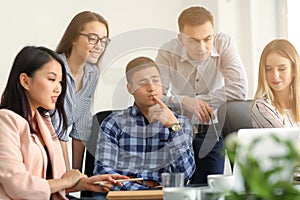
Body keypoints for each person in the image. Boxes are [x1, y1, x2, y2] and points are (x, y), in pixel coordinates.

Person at [0, 46, 127, 199]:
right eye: (51, 79)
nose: (58, 89)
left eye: (60, 82)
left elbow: (54, 182)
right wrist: (66, 181)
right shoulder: (5, 121)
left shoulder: (44, 122)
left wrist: (85, 183)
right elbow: (20, 186)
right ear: (25, 81)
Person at [156, 6, 248, 184]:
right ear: (181, 39)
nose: (202, 47)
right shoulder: (167, 52)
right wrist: (185, 101)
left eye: (207, 39)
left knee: (209, 188)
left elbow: (239, 88)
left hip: (211, 131)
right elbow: (156, 98)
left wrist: (197, 102)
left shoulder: (224, 42)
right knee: (176, 189)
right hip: (177, 132)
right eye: (193, 41)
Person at [93, 56, 195, 194]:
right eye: (143, 83)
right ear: (130, 88)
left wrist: (174, 128)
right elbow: (104, 172)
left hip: (163, 196)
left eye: (156, 81)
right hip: (124, 196)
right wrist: (143, 192)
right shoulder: (113, 123)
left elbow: (185, 175)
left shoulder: (181, 123)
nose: (151, 88)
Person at [51, 11, 111, 171]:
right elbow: (57, 129)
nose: (99, 46)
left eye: (104, 41)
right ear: (74, 38)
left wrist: (76, 175)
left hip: (55, 150)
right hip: (35, 148)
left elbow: (82, 127)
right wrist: (67, 177)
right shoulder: (54, 68)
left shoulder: (92, 73)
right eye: (93, 39)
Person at [251, 39, 300, 128]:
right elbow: (286, 139)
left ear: (294, 70)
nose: (275, 76)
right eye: (268, 69)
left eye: (281, 69)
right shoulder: (261, 106)